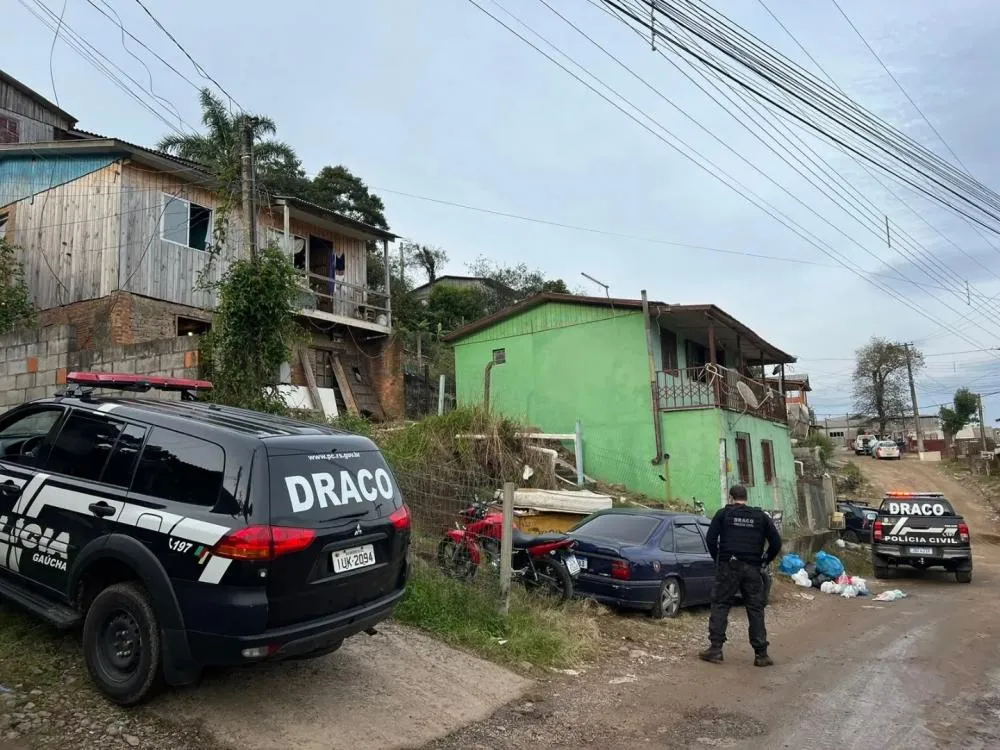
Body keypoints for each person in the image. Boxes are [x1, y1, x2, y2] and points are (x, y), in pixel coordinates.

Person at [699, 484, 782, 667]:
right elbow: (776, 542)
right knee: (755, 609)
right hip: (752, 568)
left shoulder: (723, 514)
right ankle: (761, 654)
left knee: (721, 604)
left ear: (731, 498)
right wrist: (765, 560)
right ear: (747, 498)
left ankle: (715, 649)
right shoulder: (760, 517)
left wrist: (719, 560)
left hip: (729, 566)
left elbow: (711, 540)